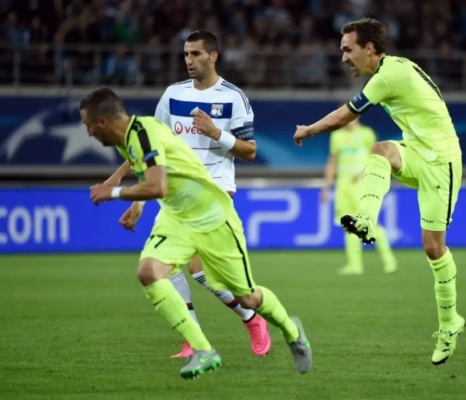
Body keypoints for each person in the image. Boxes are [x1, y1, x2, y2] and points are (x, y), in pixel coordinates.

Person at [83, 87, 312, 378]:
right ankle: (203, 350)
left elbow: (157, 186)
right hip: (177, 219)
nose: (88, 132)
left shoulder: (144, 133)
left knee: (248, 298)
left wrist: (114, 192)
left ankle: (293, 333)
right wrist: (137, 204)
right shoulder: (129, 139)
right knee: (149, 271)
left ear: (102, 122)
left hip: (212, 217)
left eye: (88, 125)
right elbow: (148, 176)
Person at [293, 18, 465, 365]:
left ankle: (450, 323)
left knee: (434, 249)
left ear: (369, 48)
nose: (344, 57)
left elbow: (345, 115)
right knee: (382, 150)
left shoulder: (388, 76)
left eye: (348, 49)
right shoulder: (396, 68)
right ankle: (366, 220)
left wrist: (309, 130)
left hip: (442, 162)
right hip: (417, 151)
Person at [155, 30, 269, 359]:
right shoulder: (173, 95)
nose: (189, 60)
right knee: (164, 267)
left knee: (198, 269)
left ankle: (252, 318)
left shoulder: (233, 97)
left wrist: (216, 132)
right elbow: (155, 143)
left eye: (196, 54)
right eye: (186, 54)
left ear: (213, 56)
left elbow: (250, 151)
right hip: (176, 193)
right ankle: (195, 339)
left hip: (213, 190)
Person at [321, 117, 397, 275]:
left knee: (370, 223)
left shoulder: (367, 134)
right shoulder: (337, 136)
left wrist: (363, 172)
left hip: (361, 186)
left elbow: (377, 158)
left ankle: (389, 261)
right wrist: (326, 187)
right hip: (343, 188)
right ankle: (354, 265)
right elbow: (332, 162)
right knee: (348, 225)